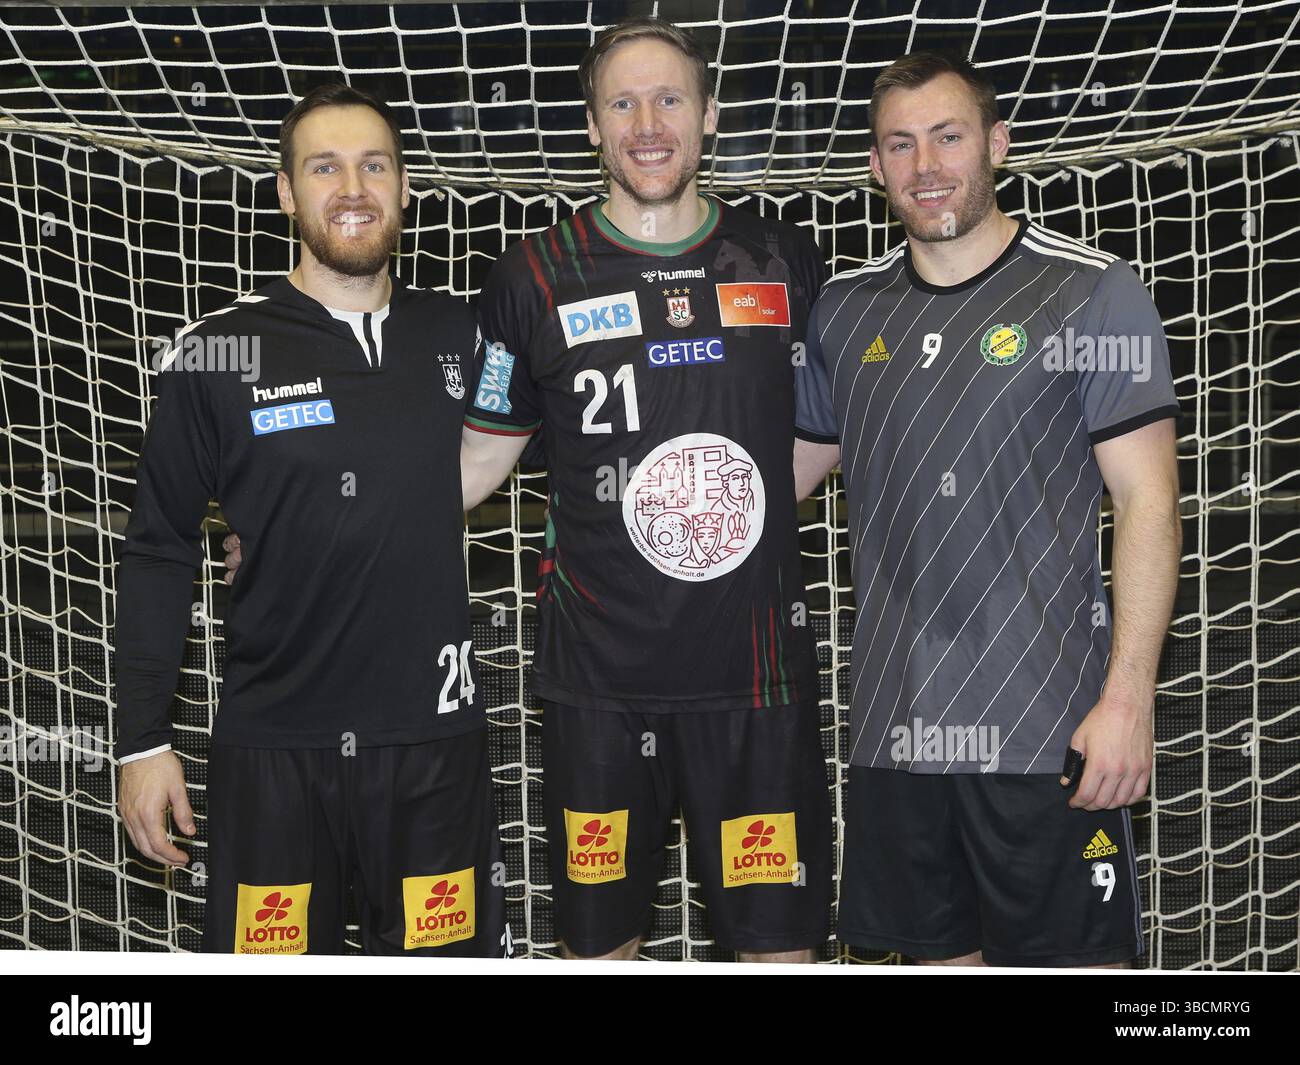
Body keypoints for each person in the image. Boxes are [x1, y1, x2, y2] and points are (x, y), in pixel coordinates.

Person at [793, 51, 1181, 967]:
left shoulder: (1092, 294)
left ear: (997, 144)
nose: (926, 165)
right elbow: (770, 485)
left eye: (948, 135)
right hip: (893, 737)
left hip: (1049, 731)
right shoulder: (845, 315)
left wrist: (1128, 697)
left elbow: (1149, 503)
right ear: (876, 167)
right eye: (900, 144)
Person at [458, 16, 833, 961]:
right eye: (622, 102)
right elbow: (476, 460)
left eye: (669, 98)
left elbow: (828, 436)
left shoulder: (783, 261)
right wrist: (309, 531)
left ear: (709, 114)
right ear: (591, 125)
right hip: (600, 686)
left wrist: (716, 519)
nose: (648, 122)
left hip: (755, 679)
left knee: (779, 951)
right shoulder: (530, 276)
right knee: (602, 950)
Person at [115, 84, 505, 956]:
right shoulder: (217, 348)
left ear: (405, 187)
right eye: (324, 167)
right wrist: (140, 740)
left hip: (433, 746)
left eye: (374, 165)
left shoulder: (466, 333)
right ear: (287, 193)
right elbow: (157, 546)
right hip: (274, 753)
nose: (353, 187)